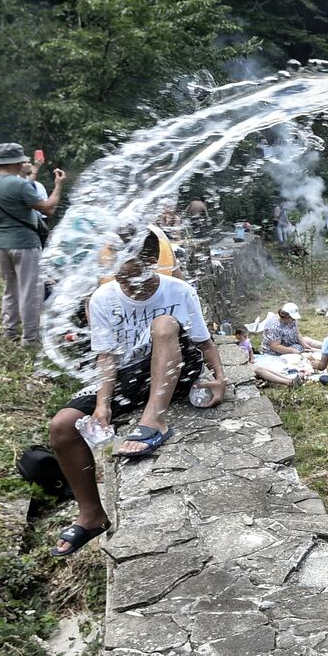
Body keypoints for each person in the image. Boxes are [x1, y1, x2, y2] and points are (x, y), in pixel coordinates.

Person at [47, 230, 225, 555]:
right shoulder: (102, 298)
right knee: (61, 427)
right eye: (115, 266)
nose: (122, 278)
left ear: (150, 261)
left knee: (164, 325)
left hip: (178, 368)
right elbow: (107, 356)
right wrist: (102, 405)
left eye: (127, 266)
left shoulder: (179, 290)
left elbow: (204, 342)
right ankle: (91, 515)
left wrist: (220, 379)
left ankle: (154, 421)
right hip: (134, 374)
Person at [0, 143, 67, 344]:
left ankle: (10, 332)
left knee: (11, 288)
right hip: (25, 243)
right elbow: (48, 209)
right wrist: (58, 186)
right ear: (17, 162)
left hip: (1, 244)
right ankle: (31, 339)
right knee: (31, 291)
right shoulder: (20, 185)